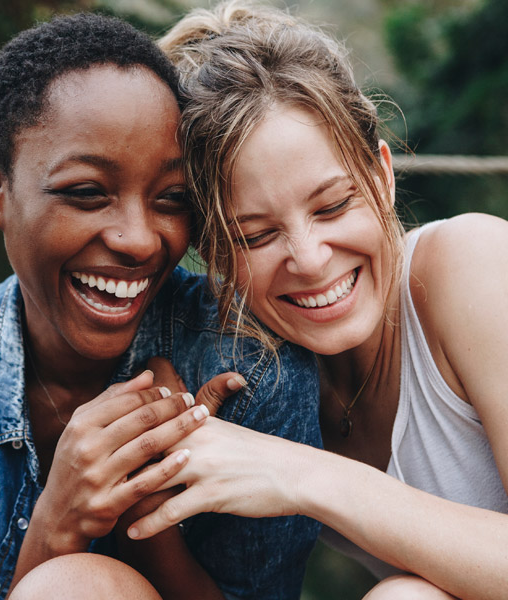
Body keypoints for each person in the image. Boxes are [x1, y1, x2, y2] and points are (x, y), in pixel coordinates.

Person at [0, 12, 322, 600]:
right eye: (86, 193)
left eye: (172, 198)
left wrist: (147, 508)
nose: (139, 240)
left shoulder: (250, 368)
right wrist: (59, 519)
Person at [120, 2, 507, 599]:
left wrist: (303, 475)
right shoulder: (251, 366)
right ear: (214, 254)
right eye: (256, 235)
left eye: (332, 206)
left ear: (381, 173)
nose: (311, 257)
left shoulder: (472, 265)